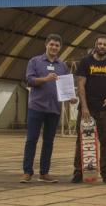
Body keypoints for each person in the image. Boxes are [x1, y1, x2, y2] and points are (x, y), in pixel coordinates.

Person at [20, 34, 76, 183]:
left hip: (54, 109)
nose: (54, 47)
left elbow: (65, 87)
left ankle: (44, 172)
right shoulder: (35, 61)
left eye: (57, 45)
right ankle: (27, 172)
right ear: (46, 45)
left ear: (60, 48)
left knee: (48, 141)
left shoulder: (62, 66)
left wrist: (71, 97)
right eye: (51, 44)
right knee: (31, 140)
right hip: (36, 107)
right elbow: (29, 80)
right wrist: (45, 79)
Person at [71, 35, 106, 184]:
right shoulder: (85, 62)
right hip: (87, 109)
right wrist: (84, 107)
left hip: (105, 110)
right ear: (95, 45)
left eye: (105, 44)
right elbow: (81, 85)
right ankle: (79, 172)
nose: (102, 46)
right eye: (100, 43)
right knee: (82, 140)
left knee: (105, 141)